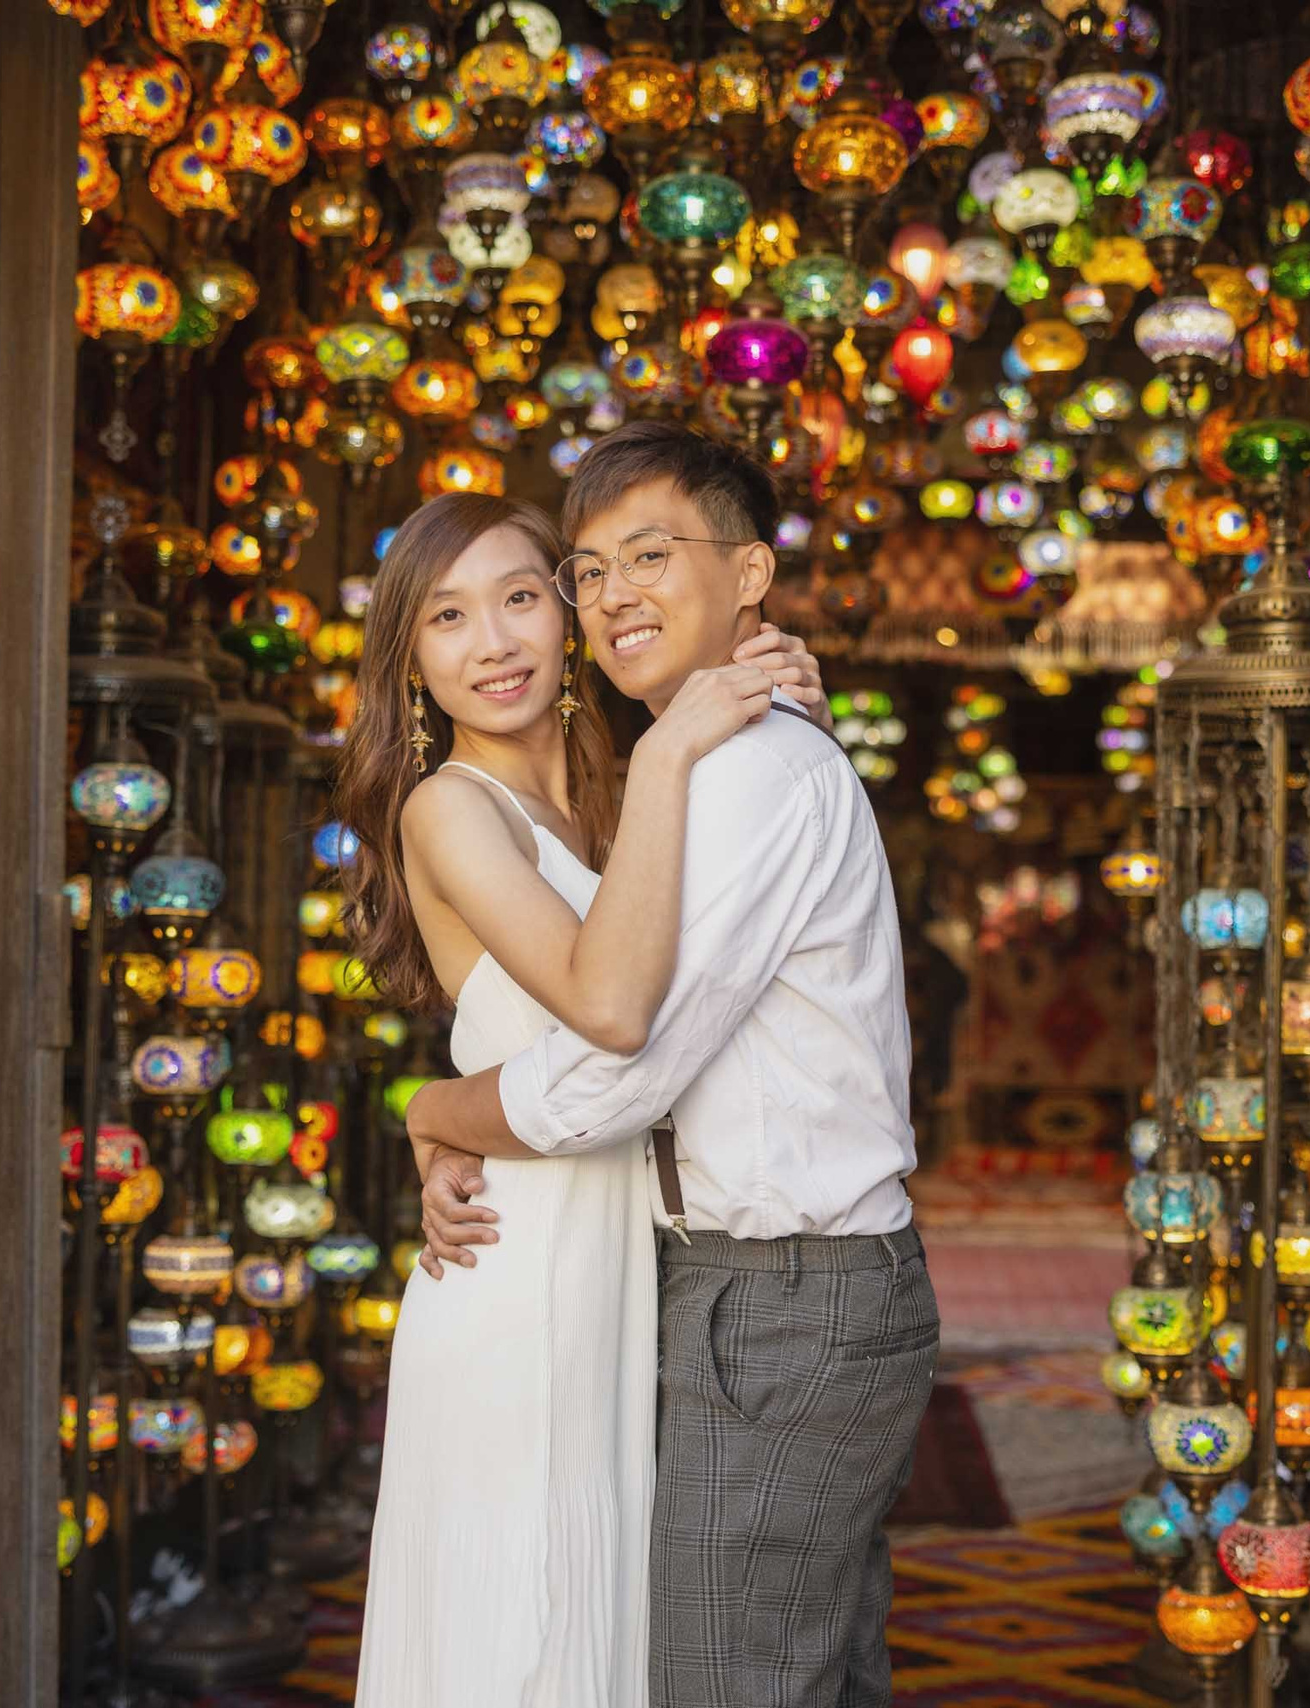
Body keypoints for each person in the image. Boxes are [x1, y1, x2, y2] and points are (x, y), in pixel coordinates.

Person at [403, 421, 941, 1708]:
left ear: (749, 574)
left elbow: (617, 1068)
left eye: (647, 556)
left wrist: (439, 1109)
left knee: (728, 1673)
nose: (610, 595)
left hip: (779, 1293)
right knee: (747, 1662)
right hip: (675, 1280)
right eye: (589, 570)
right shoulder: (665, 776)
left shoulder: (727, 771)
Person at [335, 489, 827, 1708]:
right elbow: (608, 1008)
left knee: (601, 1617)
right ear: (409, 658)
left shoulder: (611, 795)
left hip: (628, 1261)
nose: (494, 642)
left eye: (519, 597)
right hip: (518, 1269)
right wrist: (430, 1111)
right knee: (523, 1625)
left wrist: (764, 693)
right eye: (448, 617)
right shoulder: (449, 806)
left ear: (567, 617)